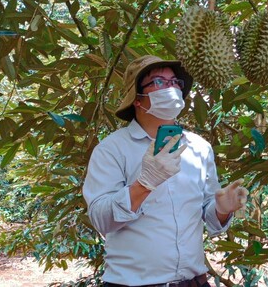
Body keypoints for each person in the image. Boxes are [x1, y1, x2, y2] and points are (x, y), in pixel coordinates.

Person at [83, 55, 248, 287]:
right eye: (158, 82)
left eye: (175, 82)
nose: (170, 87)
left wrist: (222, 209)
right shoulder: (112, 149)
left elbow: (208, 216)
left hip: (193, 282)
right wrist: (144, 184)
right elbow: (101, 219)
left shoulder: (199, 148)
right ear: (137, 99)